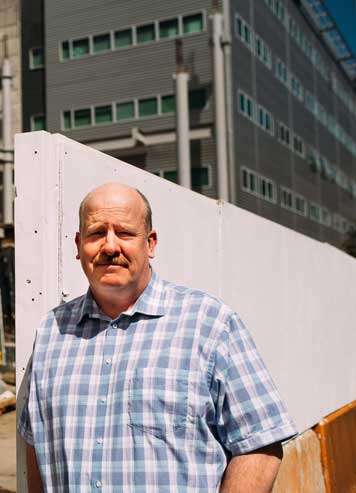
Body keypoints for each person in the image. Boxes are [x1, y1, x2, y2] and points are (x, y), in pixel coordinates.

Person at [18, 182, 296, 492]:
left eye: (124, 233)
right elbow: (35, 445)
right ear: (79, 244)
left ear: (150, 243)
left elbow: (259, 443)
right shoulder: (51, 333)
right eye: (97, 234)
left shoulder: (209, 324)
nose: (110, 246)